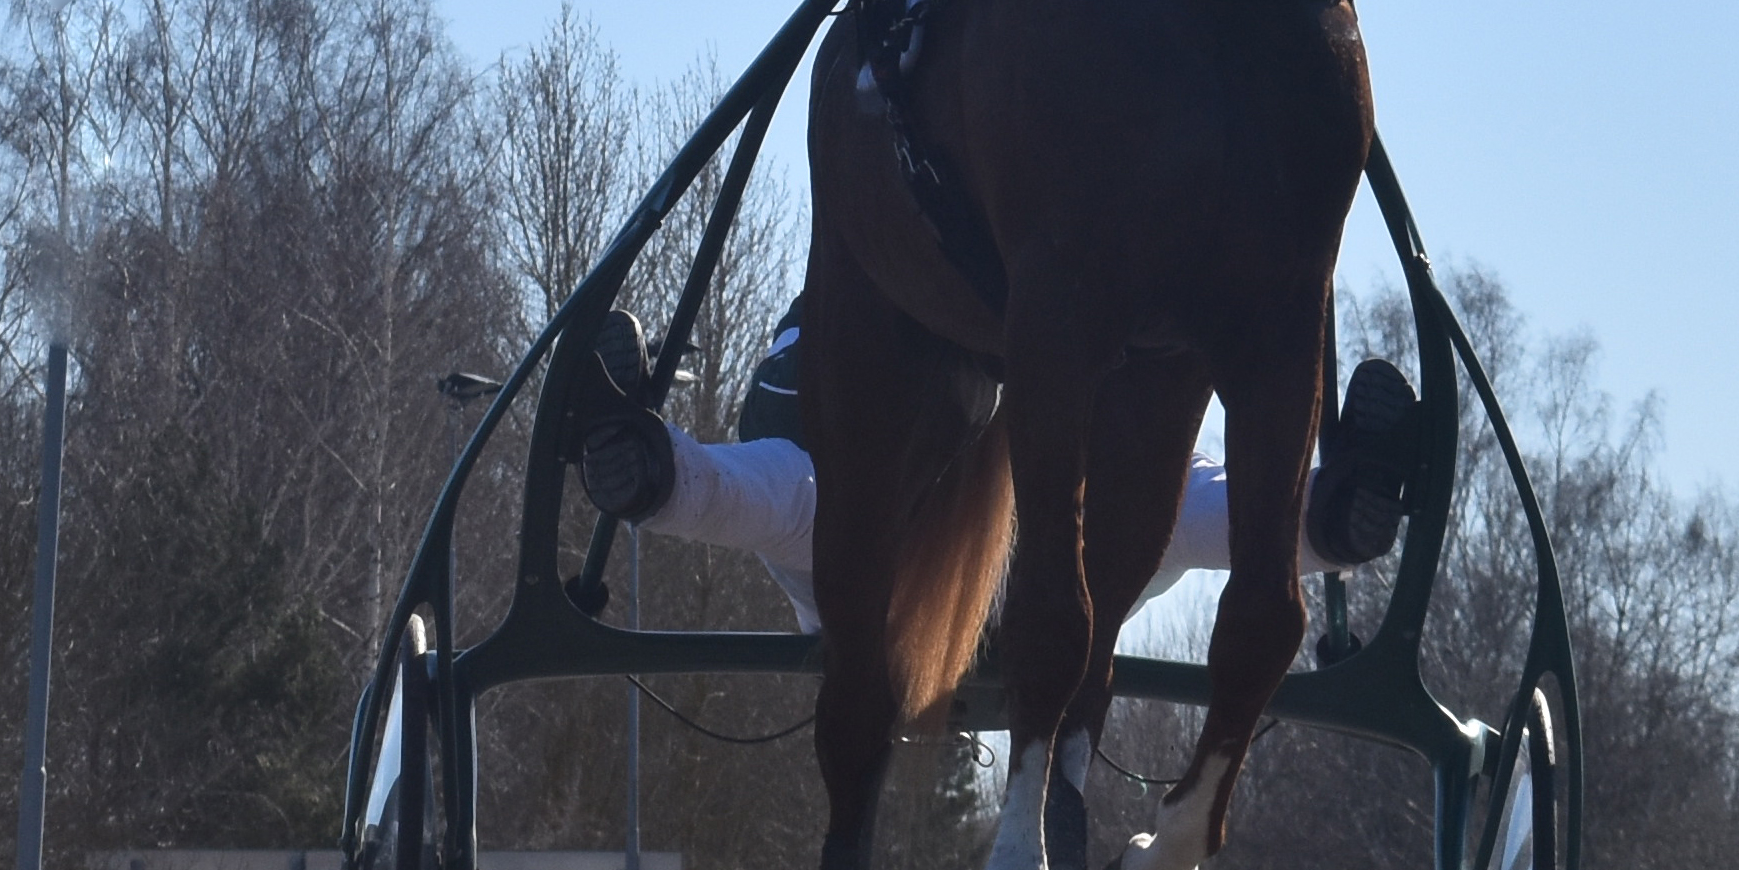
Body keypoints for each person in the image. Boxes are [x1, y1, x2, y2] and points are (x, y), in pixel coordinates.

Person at [576, 301, 1421, 633]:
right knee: (1169, 510)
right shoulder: (865, 282)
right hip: (899, 582)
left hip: (1021, 558)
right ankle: (1327, 518)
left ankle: (656, 472)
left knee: (795, 498)